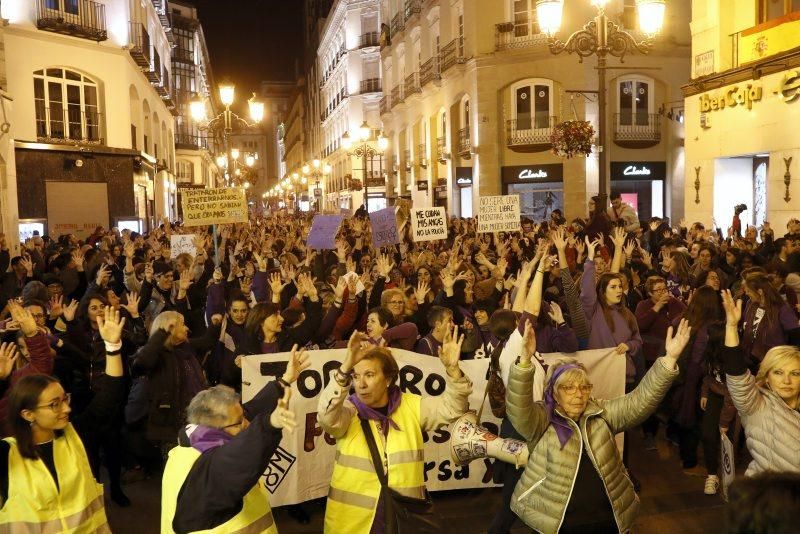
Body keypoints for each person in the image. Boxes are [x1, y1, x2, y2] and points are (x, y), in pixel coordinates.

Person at [506, 319, 692, 533]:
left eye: (584, 387)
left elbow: (639, 402)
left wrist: (669, 359)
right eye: (569, 388)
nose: (579, 394)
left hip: (608, 520)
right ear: (555, 392)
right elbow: (517, 409)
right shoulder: (542, 419)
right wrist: (524, 363)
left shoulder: (601, 413)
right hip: (558, 524)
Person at [318, 325, 472, 533]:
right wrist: (345, 368)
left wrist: (453, 370)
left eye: (369, 375)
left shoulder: (412, 406)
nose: (360, 384)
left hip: (406, 517)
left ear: (388, 379)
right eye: (355, 376)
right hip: (354, 524)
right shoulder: (348, 411)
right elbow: (326, 417)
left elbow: (454, 408)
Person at [0, 306, 127, 531]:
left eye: (64, 400)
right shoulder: (7, 455)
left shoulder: (74, 435)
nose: (66, 409)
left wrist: (113, 347)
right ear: (28, 414)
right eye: (54, 405)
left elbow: (110, 394)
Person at [161, 345, 309, 533]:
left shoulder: (201, 436)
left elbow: (250, 410)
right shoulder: (211, 467)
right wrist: (270, 424)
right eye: (241, 422)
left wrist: (285, 380)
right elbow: (238, 459)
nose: (247, 423)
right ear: (217, 428)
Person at [720, 289, 800, 476]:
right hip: (771, 498)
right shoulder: (756, 404)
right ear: (767, 376)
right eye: (778, 372)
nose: (786, 380)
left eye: (795, 373)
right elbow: (737, 377)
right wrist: (731, 327)